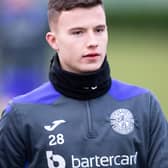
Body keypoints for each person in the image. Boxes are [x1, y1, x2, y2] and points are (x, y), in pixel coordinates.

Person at [0, 0, 168, 167]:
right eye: (78, 32)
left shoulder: (144, 105)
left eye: (99, 30)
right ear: (53, 41)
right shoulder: (20, 115)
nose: (92, 42)